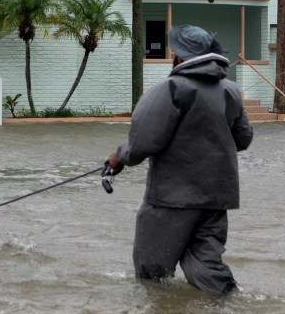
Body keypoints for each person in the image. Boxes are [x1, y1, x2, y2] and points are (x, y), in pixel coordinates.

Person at [106, 25, 253, 294]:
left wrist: (118, 157)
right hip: (217, 198)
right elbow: (243, 139)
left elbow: (142, 144)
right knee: (207, 267)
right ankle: (229, 311)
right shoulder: (231, 91)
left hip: (171, 199)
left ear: (180, 57)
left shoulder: (171, 88)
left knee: (152, 274)